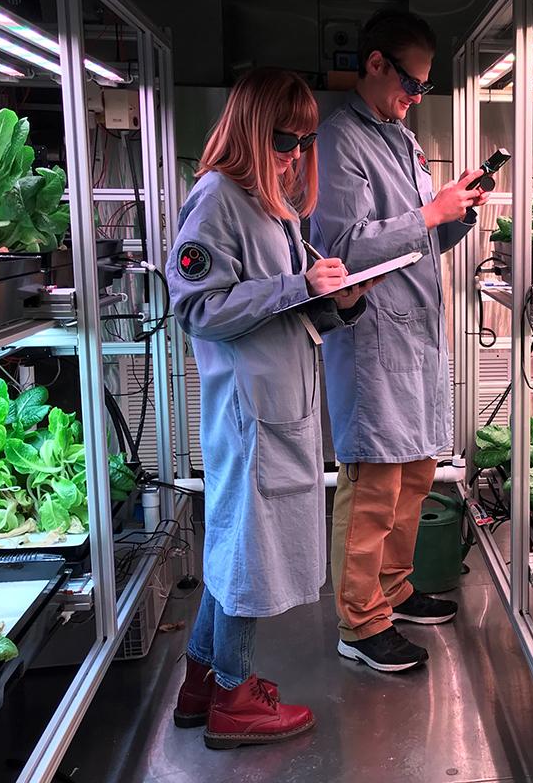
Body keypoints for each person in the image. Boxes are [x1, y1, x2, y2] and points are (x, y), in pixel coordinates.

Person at [167, 67, 378, 748]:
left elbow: (281, 304)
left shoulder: (268, 204)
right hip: (248, 414)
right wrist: (295, 287)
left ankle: (203, 681)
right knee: (247, 556)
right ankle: (235, 697)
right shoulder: (217, 199)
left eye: (303, 143)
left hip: (276, 405)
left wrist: (335, 300)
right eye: (285, 141)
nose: (294, 157)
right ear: (253, 130)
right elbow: (198, 307)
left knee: (236, 547)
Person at [312, 10, 490, 673]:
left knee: (415, 475)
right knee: (374, 484)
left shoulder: (401, 139)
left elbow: (423, 237)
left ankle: (392, 594)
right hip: (372, 341)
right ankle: (358, 624)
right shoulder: (339, 143)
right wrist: (427, 214)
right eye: (409, 84)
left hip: (415, 338)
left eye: (423, 89)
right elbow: (341, 250)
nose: (414, 98)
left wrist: (456, 215)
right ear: (376, 63)